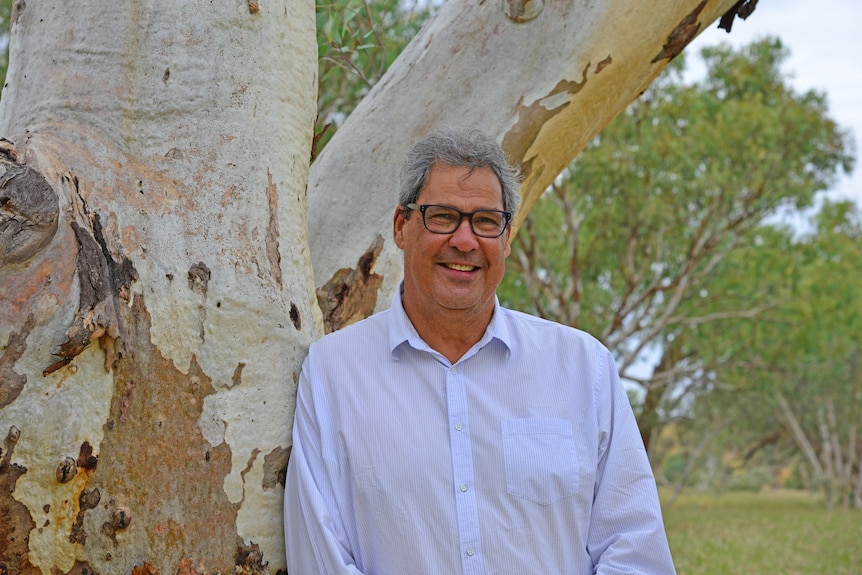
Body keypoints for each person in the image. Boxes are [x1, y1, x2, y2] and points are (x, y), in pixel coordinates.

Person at [284, 129, 676, 574]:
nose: (465, 241)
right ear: (401, 227)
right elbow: (322, 560)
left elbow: (635, 551)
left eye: (486, 221)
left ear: (506, 238)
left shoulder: (585, 368)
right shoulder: (333, 372)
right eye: (443, 217)